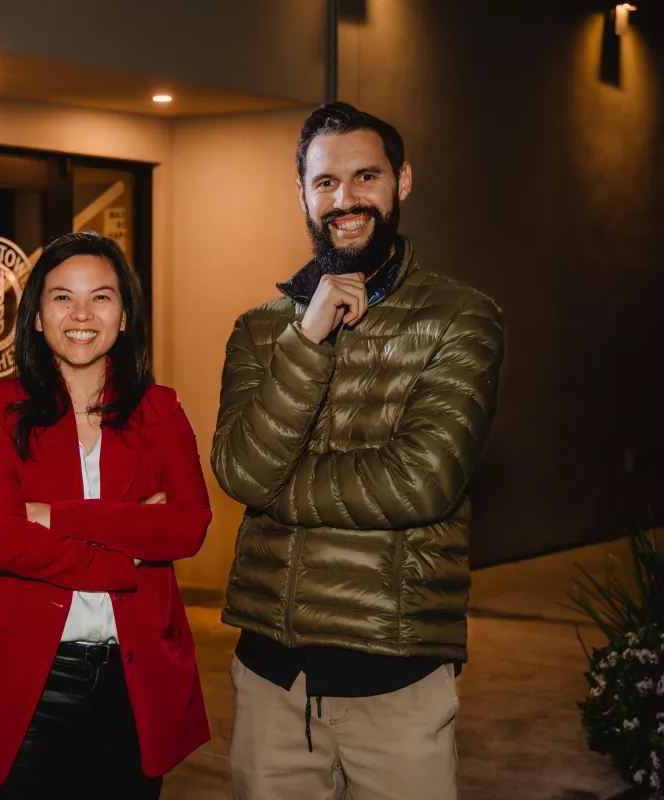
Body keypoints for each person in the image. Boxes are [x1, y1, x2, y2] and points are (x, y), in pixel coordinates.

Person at [211, 102, 505, 800]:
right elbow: (238, 471)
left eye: (365, 176)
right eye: (325, 182)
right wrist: (305, 340)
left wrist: (278, 486)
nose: (344, 199)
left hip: (396, 677)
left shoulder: (462, 316)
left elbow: (422, 484)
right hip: (271, 679)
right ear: (303, 194)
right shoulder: (261, 330)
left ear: (402, 181)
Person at [0, 231, 212, 799]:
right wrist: (128, 550)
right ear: (36, 316)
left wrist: (61, 517)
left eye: (102, 297)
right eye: (63, 297)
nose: (82, 314)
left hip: (135, 681)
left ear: (125, 313)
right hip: (26, 685)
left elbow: (188, 526)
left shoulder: (161, 409)